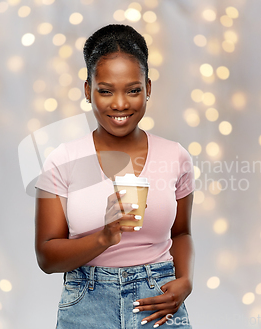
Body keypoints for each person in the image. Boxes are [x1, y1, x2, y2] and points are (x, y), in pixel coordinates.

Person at [34, 24, 195, 328]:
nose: (120, 104)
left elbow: (181, 233)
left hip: (158, 303)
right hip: (87, 305)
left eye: (133, 90)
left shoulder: (176, 157)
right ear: (87, 91)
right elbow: (47, 256)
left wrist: (185, 281)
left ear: (148, 88)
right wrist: (104, 237)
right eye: (105, 91)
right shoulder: (62, 160)